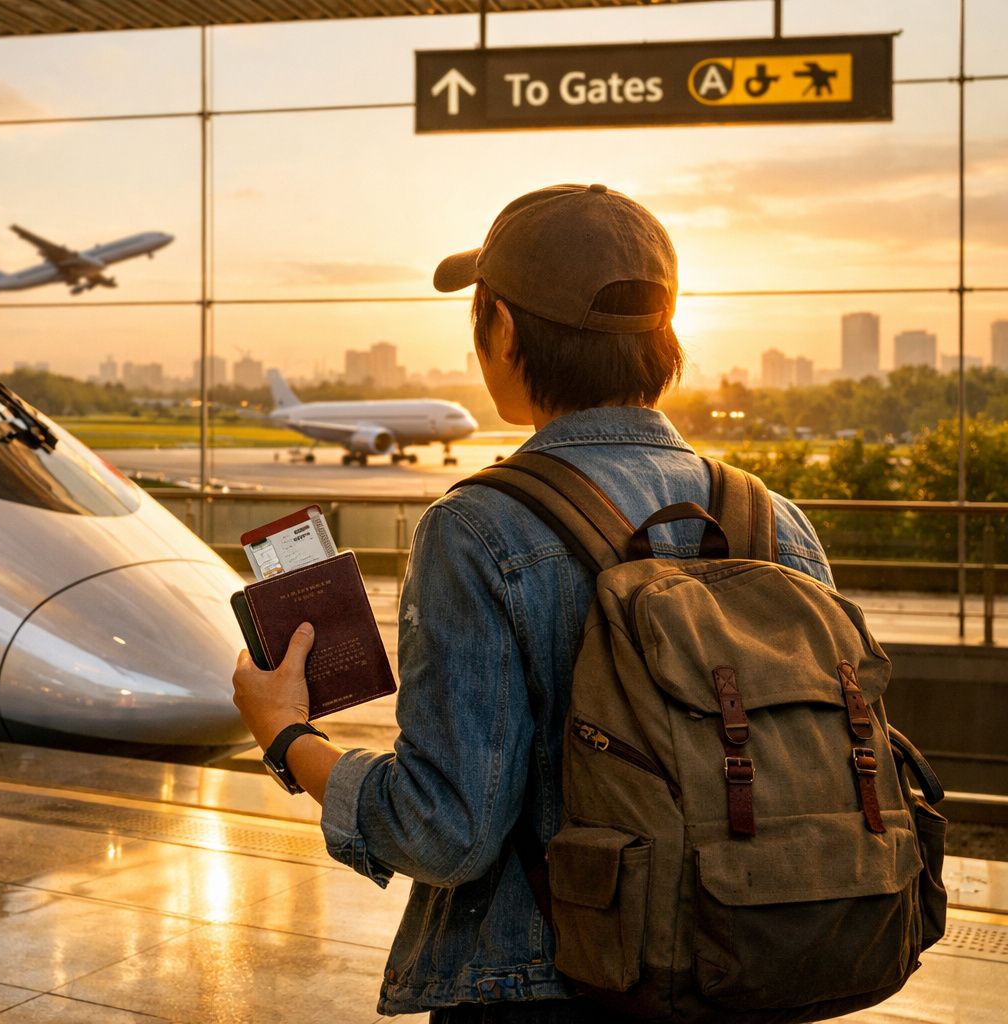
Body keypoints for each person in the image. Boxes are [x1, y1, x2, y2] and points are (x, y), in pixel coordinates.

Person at [230, 183, 834, 1022]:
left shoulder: (479, 527)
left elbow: (447, 831)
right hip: (755, 974)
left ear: (504, 331)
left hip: (546, 987)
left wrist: (286, 736)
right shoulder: (773, 519)